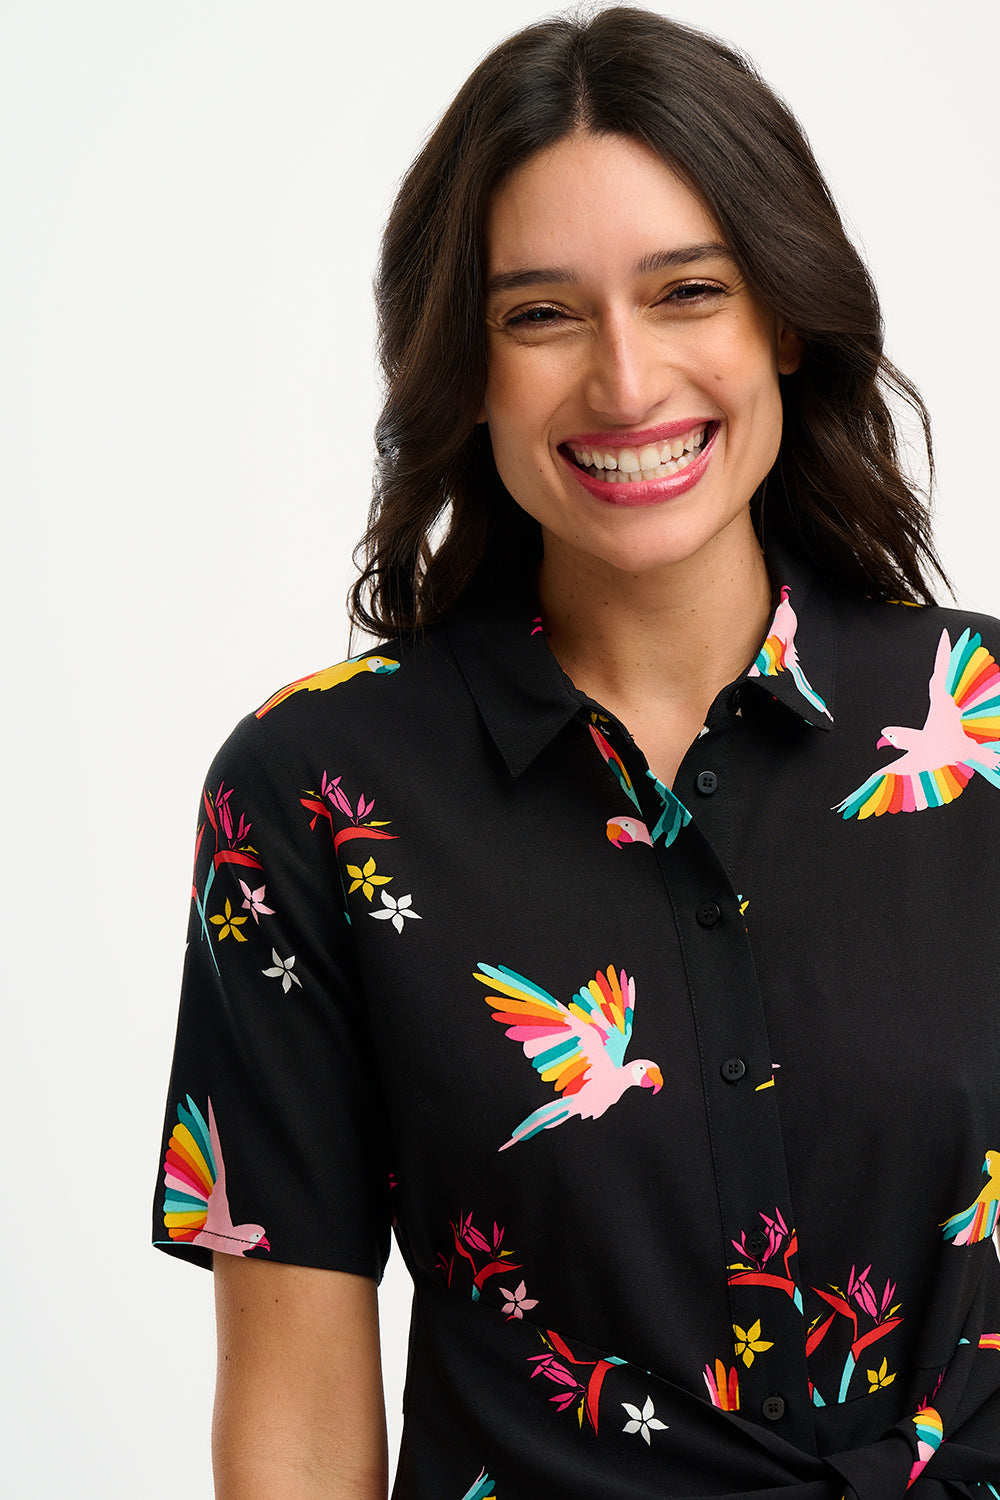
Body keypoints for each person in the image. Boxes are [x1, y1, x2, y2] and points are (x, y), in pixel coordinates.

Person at [153, 8, 1000, 1497]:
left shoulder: (982, 721)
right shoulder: (314, 798)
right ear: (461, 366)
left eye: (688, 292)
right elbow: (291, 1413)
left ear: (782, 321)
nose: (626, 382)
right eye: (540, 314)